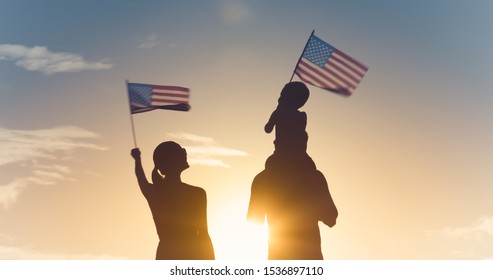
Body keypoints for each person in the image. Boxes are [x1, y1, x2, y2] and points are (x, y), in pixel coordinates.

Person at [130, 141, 215, 260]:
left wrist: (137, 159)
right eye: (181, 151)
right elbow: (204, 235)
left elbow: (141, 179)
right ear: (171, 160)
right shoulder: (198, 194)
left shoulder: (155, 193)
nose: (185, 153)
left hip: (166, 254)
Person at [264, 81, 316, 170]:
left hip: (281, 154)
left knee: (269, 165)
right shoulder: (302, 116)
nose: (279, 99)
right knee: (312, 168)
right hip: (300, 156)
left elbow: (267, 129)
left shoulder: (278, 113)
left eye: (282, 96)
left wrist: (277, 112)